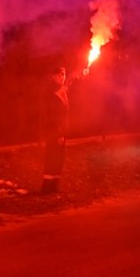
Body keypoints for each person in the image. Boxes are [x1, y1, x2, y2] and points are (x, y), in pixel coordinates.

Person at [40, 64, 86, 194]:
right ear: (53, 76)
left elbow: (73, 82)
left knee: (59, 159)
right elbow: (51, 116)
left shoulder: (63, 89)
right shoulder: (51, 92)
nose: (62, 77)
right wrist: (58, 134)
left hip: (62, 132)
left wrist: (83, 74)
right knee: (52, 158)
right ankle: (47, 188)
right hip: (53, 132)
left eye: (64, 74)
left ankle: (54, 186)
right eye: (59, 74)